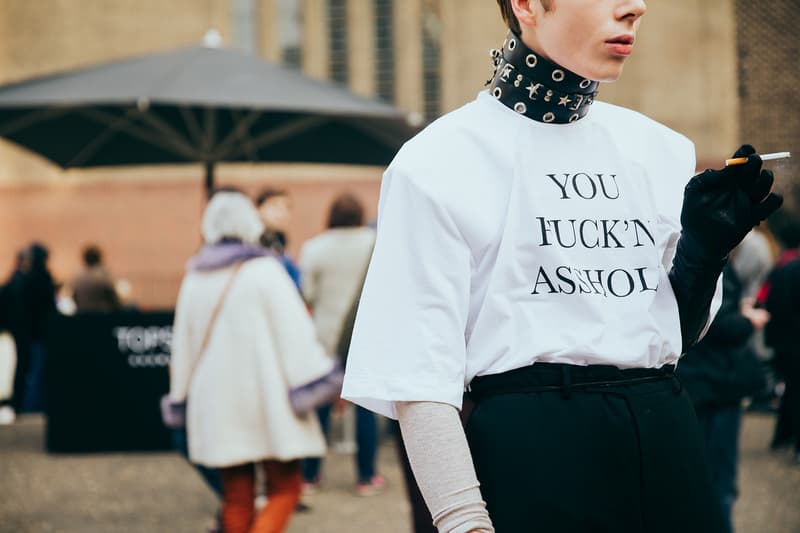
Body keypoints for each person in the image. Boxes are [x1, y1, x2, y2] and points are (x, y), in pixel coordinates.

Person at [340, 1, 783, 531]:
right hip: (533, 454)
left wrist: (703, 255)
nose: (635, 7)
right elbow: (418, 375)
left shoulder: (659, 149)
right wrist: (463, 521)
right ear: (526, 4)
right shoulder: (437, 162)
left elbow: (672, 337)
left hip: (669, 439)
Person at [169, 190, 331, 533]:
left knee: (237, 497)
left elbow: (182, 347)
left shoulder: (194, 278)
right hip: (267, 401)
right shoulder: (265, 271)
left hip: (215, 402)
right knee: (286, 488)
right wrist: (317, 380)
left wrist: (180, 399)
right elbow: (295, 335)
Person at [298, 193, 382, 495]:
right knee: (364, 405)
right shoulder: (374, 243)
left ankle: (310, 475)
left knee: (318, 406)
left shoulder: (314, 247)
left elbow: (305, 294)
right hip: (363, 336)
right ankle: (366, 477)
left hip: (324, 337)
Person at [677, 264, 770, 533]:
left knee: (702, 475)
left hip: (696, 380)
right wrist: (749, 319)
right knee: (719, 481)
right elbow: (719, 324)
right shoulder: (711, 261)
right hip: (717, 381)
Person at [255, 187, 301, 289]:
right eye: (274, 206)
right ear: (258, 209)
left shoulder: (281, 241)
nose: (282, 213)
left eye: (286, 208)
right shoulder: (250, 243)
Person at [71, 244, 120, 313]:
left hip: (84, 314)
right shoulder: (103, 274)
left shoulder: (78, 276)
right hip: (102, 314)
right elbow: (111, 296)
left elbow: (74, 297)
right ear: (99, 258)